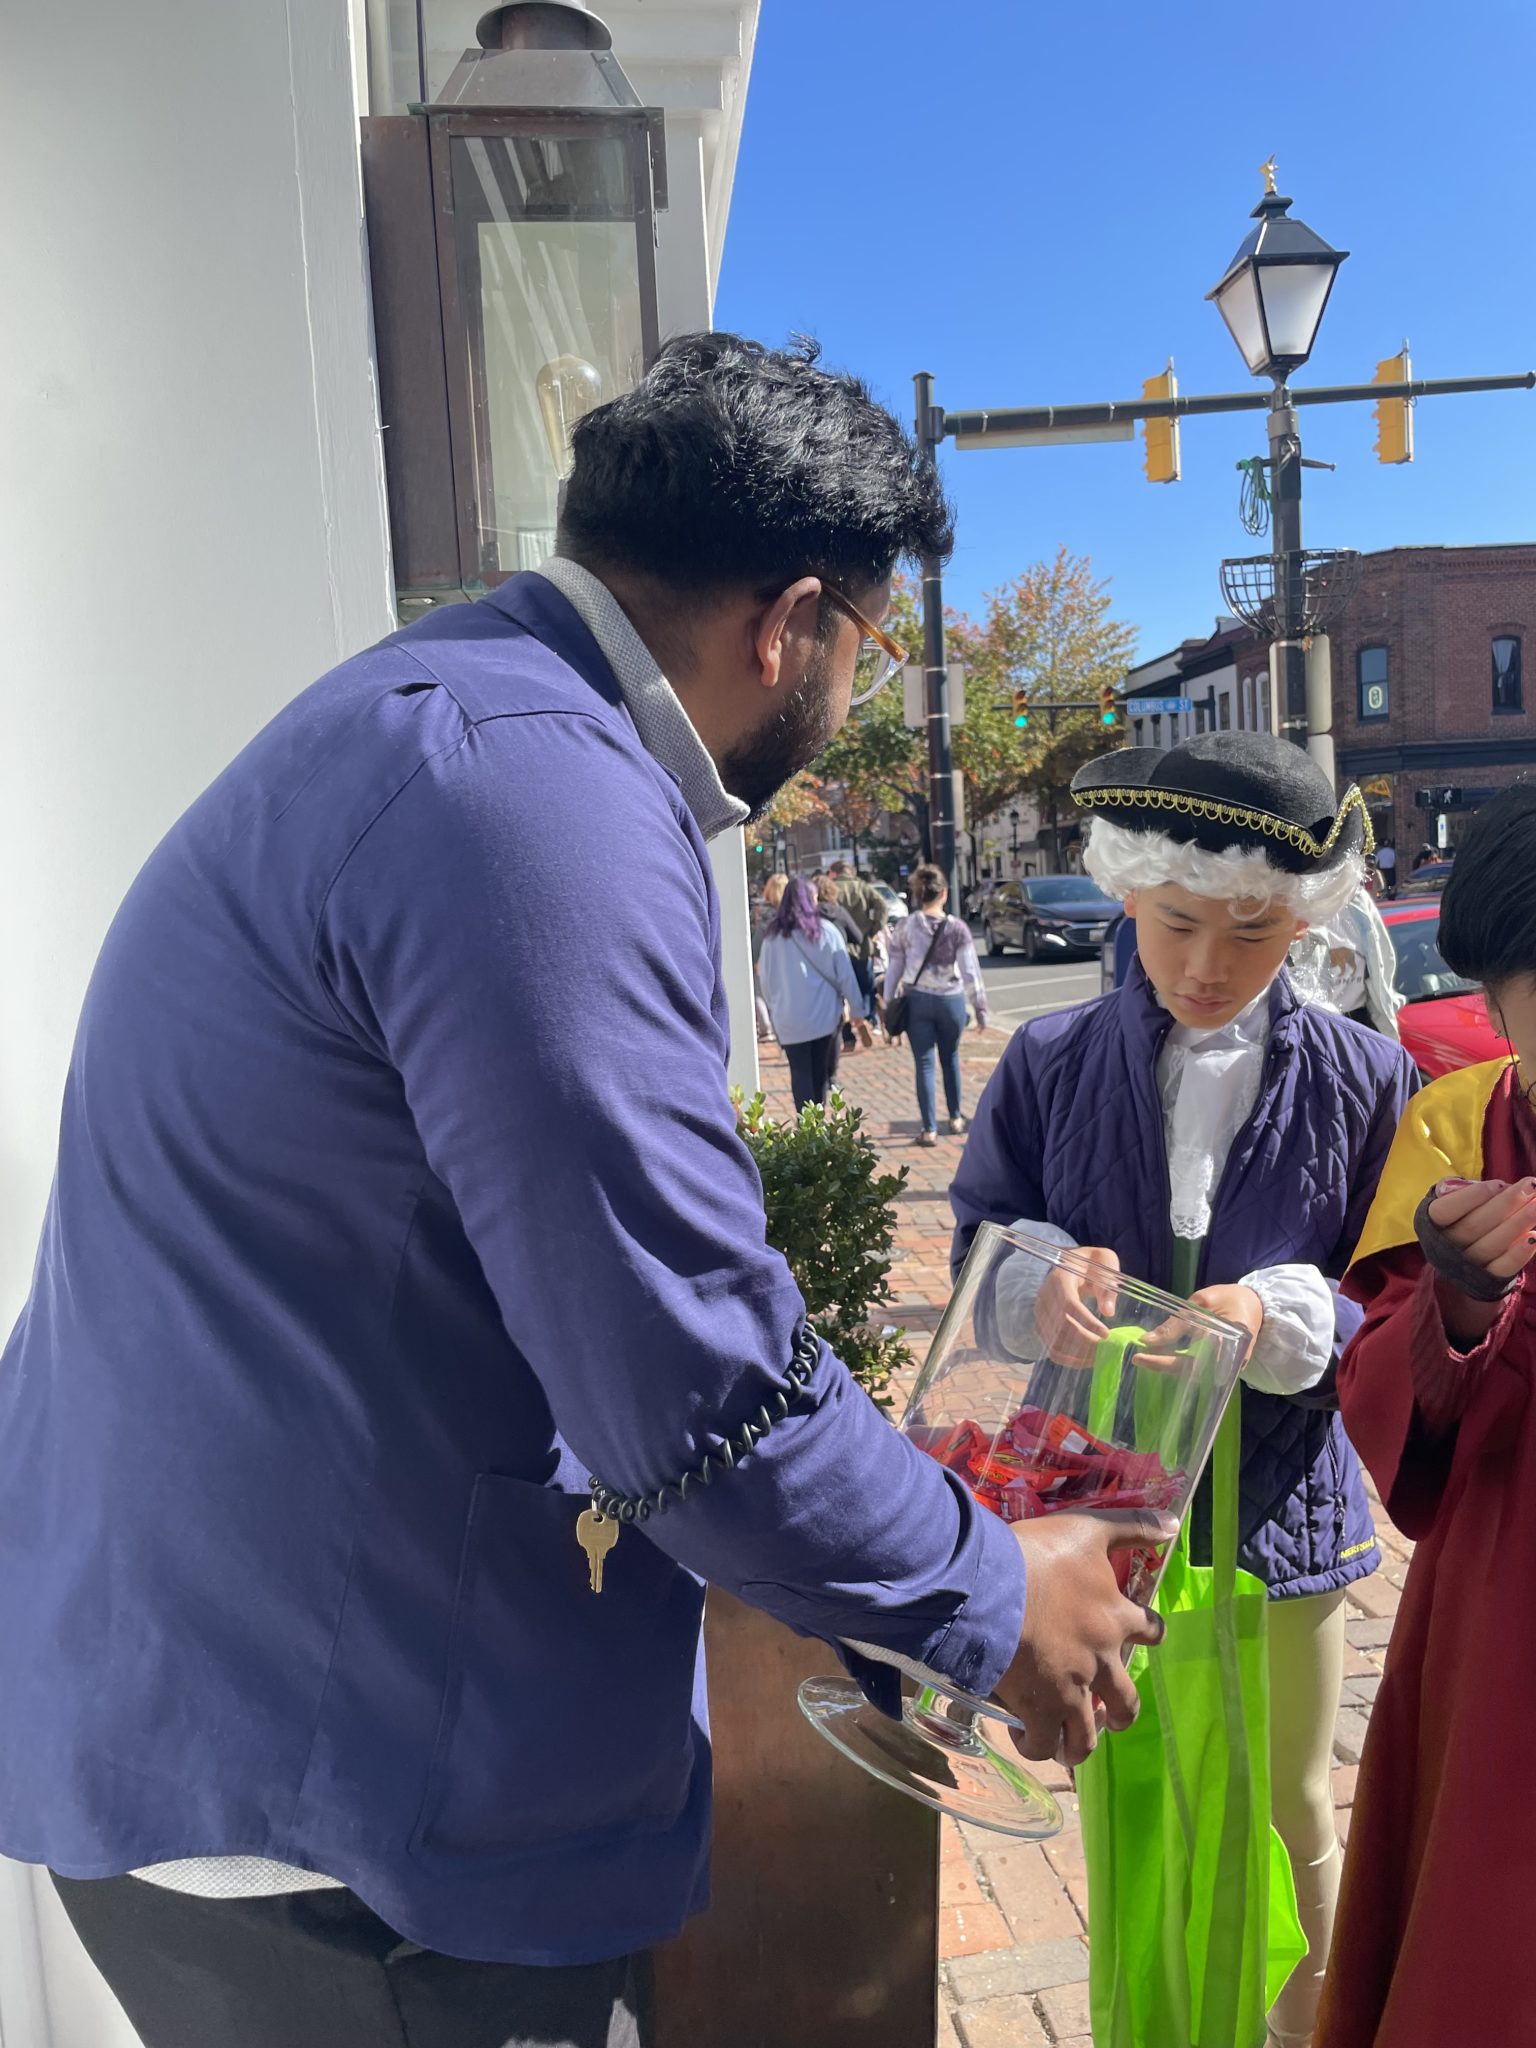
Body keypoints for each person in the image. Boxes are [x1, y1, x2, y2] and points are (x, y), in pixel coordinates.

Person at [0, 331, 1176, 2048]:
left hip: (221, 1726)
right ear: (793, 627)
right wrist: (993, 1591)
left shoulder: (445, 719)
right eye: (868, 645)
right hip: (345, 1837)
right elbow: (695, 1400)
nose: (850, 695)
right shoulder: (534, 794)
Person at [950, 733, 1417, 2048]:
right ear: (1129, 899)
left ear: (1304, 926)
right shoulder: (1047, 1064)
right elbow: (980, 1237)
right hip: (1104, 1517)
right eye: (1177, 926)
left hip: (1283, 1516)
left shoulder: (1366, 1080)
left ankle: (1308, 2023)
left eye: (1253, 932)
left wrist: (1278, 1309)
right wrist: (1037, 1281)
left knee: (1288, 1800)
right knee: (1137, 1797)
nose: (1209, 965)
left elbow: (1389, 1290)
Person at [1317, 783, 1536, 2048]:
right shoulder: (1459, 1126)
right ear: (1497, 1007)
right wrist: (1455, 1306)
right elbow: (1382, 1394)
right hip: (1509, 1603)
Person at [886, 862, 990, 1146]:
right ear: (943, 893)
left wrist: (889, 999)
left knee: (924, 1064)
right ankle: (956, 1117)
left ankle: (929, 1128)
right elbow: (970, 971)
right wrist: (980, 1008)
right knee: (951, 1058)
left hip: (916, 1000)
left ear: (919, 894)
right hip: (950, 1000)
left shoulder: (906, 927)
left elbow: (894, 967)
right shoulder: (957, 928)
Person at [758, 876, 862, 1108]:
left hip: (789, 1019)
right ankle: (818, 1123)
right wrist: (857, 1008)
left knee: (799, 1072)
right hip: (823, 1015)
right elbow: (845, 974)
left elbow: (765, 981)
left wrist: (774, 1010)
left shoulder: (772, 937)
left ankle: (806, 1127)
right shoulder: (826, 931)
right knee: (820, 1073)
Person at [1288, 882, 1404, 1036]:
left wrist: (1389, 1002)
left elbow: (1383, 956)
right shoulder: (1295, 903)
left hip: (1362, 1019)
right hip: (1317, 1026)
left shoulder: (1357, 899)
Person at [826, 859, 888, 1032]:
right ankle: (867, 1019)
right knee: (865, 985)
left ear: (834, 872)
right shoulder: (863, 887)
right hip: (862, 944)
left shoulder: (832, 889)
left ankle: (847, 1030)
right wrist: (873, 928)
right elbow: (883, 907)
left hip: (839, 945)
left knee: (842, 989)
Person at [814, 873, 869, 1050]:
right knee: (845, 993)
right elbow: (858, 937)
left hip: (818, 963)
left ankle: (845, 1037)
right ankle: (857, 1022)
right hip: (841, 956)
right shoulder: (839, 912)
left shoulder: (810, 915)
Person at [750, 871, 787, 1040]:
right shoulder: (792, 912)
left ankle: (766, 1027)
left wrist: (755, 957)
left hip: (763, 957)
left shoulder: (761, 911)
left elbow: (755, 933)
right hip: (786, 958)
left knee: (759, 992)